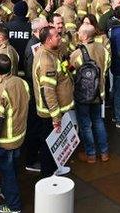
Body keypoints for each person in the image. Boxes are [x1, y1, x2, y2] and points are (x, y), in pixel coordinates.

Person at [0, 54, 30, 213]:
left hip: (4, 142)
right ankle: (5, 190)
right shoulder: (21, 82)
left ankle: (13, 206)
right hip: (20, 136)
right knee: (13, 170)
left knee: (7, 174)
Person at [31, 24, 74, 176]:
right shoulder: (46, 60)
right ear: (49, 40)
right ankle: (48, 175)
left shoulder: (55, 51)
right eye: (57, 36)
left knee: (55, 143)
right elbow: (48, 92)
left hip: (57, 110)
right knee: (49, 145)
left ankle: (55, 168)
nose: (60, 37)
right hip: (49, 113)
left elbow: (63, 68)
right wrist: (56, 116)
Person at [70, 24, 110, 160]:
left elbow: (70, 72)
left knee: (86, 124)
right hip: (99, 93)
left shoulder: (77, 54)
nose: (78, 34)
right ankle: (104, 153)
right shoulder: (103, 50)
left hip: (83, 95)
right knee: (98, 121)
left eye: (80, 32)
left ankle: (91, 154)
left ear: (85, 36)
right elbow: (106, 67)